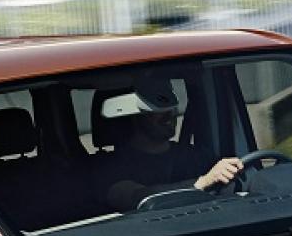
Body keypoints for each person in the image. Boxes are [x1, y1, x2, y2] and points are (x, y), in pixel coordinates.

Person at [102, 72, 242, 212]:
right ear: (133, 113)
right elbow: (135, 197)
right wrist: (203, 182)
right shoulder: (109, 166)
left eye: (168, 100)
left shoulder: (197, 157)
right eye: (157, 104)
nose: (169, 113)